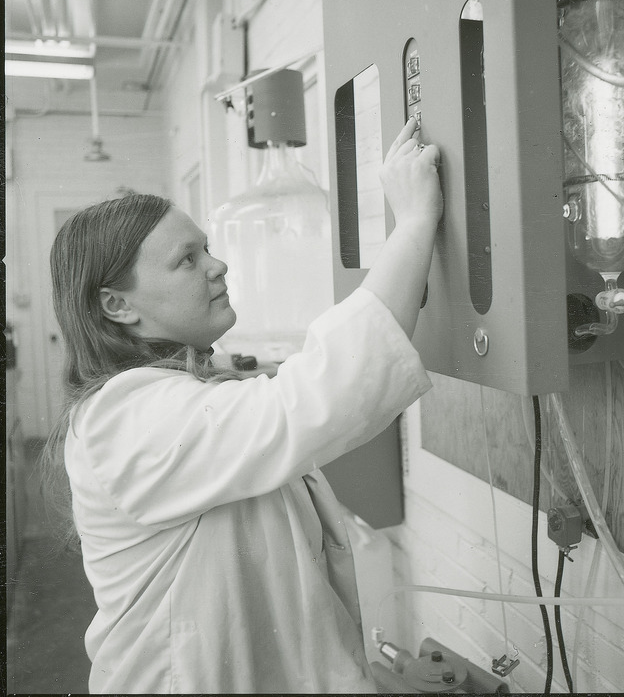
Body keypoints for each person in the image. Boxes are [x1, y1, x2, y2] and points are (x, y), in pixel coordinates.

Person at [45, 117, 442, 694]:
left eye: (206, 248)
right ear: (117, 304)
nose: (218, 265)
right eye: (187, 259)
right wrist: (414, 222)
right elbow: (312, 400)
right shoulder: (124, 421)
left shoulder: (177, 392)